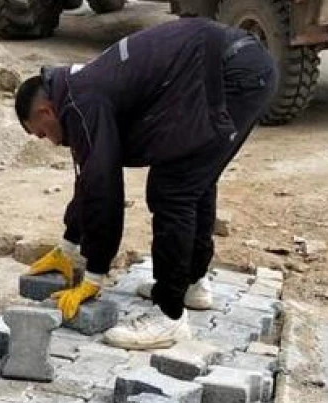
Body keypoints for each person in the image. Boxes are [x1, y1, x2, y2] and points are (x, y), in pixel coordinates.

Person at [15, 18, 278, 350]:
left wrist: (94, 274)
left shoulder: (81, 103)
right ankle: (191, 284)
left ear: (45, 110)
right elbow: (91, 176)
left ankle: (168, 316)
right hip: (238, 64)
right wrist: (68, 247)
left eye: (41, 132)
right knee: (191, 178)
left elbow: (102, 186)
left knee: (173, 189)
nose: (50, 141)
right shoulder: (80, 88)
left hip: (229, 75)